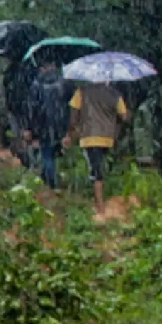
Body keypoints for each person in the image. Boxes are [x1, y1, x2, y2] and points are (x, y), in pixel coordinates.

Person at [63, 82, 129, 215]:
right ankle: (101, 200)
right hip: (107, 138)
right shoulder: (114, 94)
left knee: (96, 170)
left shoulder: (82, 92)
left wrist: (70, 133)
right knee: (100, 166)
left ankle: (100, 206)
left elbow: (74, 116)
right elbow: (124, 116)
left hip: (89, 136)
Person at [24, 61, 70, 190]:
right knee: (58, 151)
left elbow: (32, 108)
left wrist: (30, 128)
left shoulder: (36, 84)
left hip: (43, 124)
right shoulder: (64, 83)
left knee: (46, 154)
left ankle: (52, 184)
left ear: (43, 68)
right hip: (61, 123)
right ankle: (59, 179)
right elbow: (70, 104)